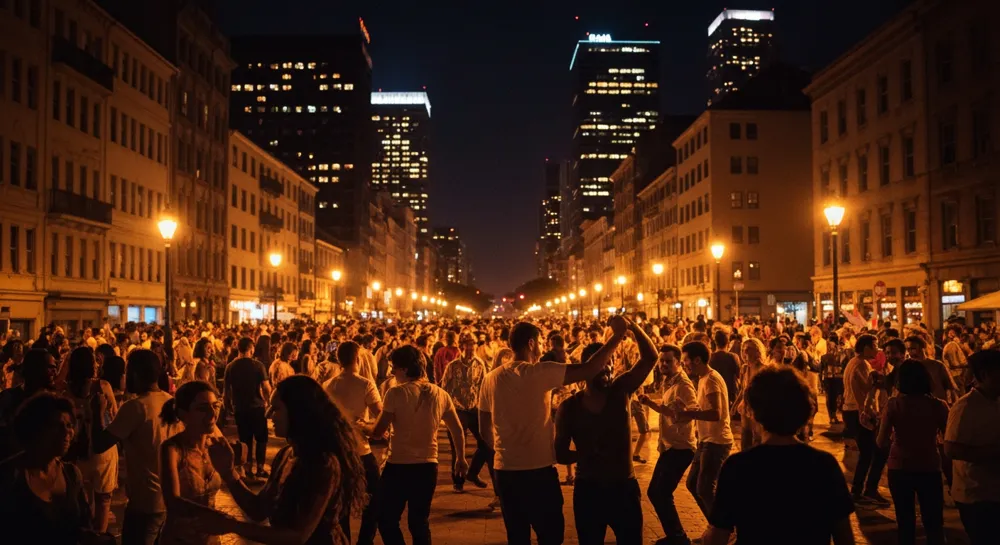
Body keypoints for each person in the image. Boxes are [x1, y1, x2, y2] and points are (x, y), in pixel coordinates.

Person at [478, 317, 627, 545]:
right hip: (538, 471)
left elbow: (483, 427)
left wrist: (503, 450)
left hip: (505, 471)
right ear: (530, 343)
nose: (541, 348)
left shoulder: (491, 378)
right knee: (550, 535)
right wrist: (616, 336)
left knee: (517, 535)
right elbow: (590, 369)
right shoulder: (540, 372)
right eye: (539, 343)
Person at [701, 368, 855, 545]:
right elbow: (844, 536)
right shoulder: (825, 464)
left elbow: (717, 537)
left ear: (755, 411)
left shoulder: (738, 466)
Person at [554, 318, 657, 545]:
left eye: (610, 363)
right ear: (586, 368)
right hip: (588, 490)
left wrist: (632, 326)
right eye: (602, 364)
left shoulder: (621, 391)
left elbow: (650, 358)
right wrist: (586, 455)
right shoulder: (569, 407)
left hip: (624, 487)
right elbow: (559, 454)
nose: (608, 369)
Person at [370, 345, 467, 545]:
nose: (391, 373)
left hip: (398, 465)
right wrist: (460, 457)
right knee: (419, 522)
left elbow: (378, 432)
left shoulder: (396, 393)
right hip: (428, 465)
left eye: (394, 368)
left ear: (405, 369)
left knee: (387, 519)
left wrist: (364, 427)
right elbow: (456, 429)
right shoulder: (440, 394)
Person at [0, 392, 115, 545]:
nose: (67, 432)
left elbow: (81, 525)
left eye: (69, 426)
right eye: (57, 426)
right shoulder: (10, 475)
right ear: (35, 429)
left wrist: (94, 537)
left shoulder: (72, 475)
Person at [91, 349, 179, 545]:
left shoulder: (136, 407)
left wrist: (98, 411)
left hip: (145, 502)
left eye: (127, 371)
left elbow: (100, 444)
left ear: (136, 374)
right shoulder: (169, 401)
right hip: (169, 497)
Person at [876, 360, 948, 545]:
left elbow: (881, 441)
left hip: (900, 466)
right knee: (933, 522)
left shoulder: (893, 405)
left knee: (905, 521)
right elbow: (948, 440)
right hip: (929, 465)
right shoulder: (939, 406)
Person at [324, 341, 382, 545]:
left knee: (342, 504)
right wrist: (367, 426)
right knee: (375, 499)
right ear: (358, 359)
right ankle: (364, 540)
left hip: (338, 450)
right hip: (361, 450)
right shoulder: (365, 384)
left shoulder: (329, 385)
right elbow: (380, 414)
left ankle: (345, 541)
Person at [640, 344, 697, 545]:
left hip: (681, 448)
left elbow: (694, 409)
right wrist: (650, 403)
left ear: (678, 362)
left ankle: (678, 537)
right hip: (669, 446)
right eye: (661, 361)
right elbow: (668, 410)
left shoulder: (683, 385)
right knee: (656, 492)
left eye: (668, 361)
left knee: (659, 492)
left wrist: (685, 411)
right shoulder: (669, 382)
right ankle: (675, 535)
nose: (663, 364)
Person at [944, 350, 1000, 545]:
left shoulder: (996, 401)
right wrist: (992, 453)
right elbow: (951, 449)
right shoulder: (965, 407)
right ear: (984, 375)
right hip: (976, 495)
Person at [158, 381, 225, 545]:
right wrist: (221, 519)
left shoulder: (216, 446)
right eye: (202, 408)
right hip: (180, 539)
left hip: (211, 540)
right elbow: (173, 501)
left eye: (215, 406)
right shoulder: (173, 449)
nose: (212, 414)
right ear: (183, 414)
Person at [63, 346, 120, 534]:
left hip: (78, 449)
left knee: (84, 497)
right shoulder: (102, 386)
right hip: (102, 448)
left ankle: (86, 533)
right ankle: (100, 536)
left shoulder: (66, 392)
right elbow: (114, 415)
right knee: (104, 499)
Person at [677, 341, 733, 519]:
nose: (684, 364)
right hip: (706, 440)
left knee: (705, 488)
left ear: (697, 360)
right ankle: (714, 526)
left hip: (717, 441)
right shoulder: (703, 378)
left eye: (686, 360)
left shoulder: (711, 379)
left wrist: (689, 414)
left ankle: (724, 528)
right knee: (693, 484)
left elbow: (716, 413)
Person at [439, 333, 490, 491]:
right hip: (457, 409)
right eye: (467, 349)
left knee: (486, 442)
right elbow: (444, 388)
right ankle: (458, 481)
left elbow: (483, 385)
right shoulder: (453, 366)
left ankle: (473, 472)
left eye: (472, 349)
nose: (470, 353)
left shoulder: (480, 363)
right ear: (461, 349)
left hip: (474, 408)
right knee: (458, 445)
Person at [842, 334, 889, 505]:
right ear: (866, 347)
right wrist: (866, 411)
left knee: (869, 452)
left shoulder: (855, 362)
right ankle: (860, 491)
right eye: (875, 346)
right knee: (870, 453)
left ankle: (863, 490)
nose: (878, 349)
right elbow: (859, 387)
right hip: (858, 412)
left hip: (853, 411)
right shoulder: (860, 364)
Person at [224, 338, 272, 479]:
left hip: (240, 409)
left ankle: (248, 469)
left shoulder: (230, 367)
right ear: (251, 349)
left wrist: (228, 406)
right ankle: (260, 468)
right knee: (261, 438)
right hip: (257, 408)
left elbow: (226, 391)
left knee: (245, 440)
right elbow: (266, 388)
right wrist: (268, 402)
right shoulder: (258, 366)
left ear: (238, 348)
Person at [0, 348, 58, 458]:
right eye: (50, 367)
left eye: (55, 368)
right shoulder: (8, 398)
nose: (55, 372)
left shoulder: (51, 401)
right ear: (36, 369)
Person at [708, 329, 740, 411]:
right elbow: (738, 374)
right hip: (729, 392)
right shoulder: (733, 357)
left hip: (713, 390)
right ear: (727, 343)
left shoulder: (709, 357)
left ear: (715, 343)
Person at [820, 335, 846, 424]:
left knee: (833, 398)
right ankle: (832, 416)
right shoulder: (825, 357)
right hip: (831, 379)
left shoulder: (841, 355)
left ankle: (833, 416)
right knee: (831, 398)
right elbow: (821, 369)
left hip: (836, 379)